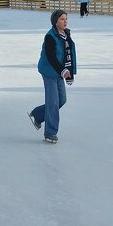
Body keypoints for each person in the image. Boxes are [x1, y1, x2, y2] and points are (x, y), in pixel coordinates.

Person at [28, 9, 76, 143]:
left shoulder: (66, 34)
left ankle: (37, 115)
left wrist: (70, 73)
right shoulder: (50, 36)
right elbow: (51, 57)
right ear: (55, 22)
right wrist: (63, 71)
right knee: (53, 102)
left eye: (66, 19)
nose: (65, 21)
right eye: (62, 19)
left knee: (62, 100)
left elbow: (69, 54)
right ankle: (50, 132)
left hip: (60, 72)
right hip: (49, 71)